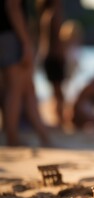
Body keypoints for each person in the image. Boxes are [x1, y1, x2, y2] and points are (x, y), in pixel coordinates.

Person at [0, 0, 51, 146]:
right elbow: (12, 6)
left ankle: (43, 136)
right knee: (14, 88)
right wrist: (25, 41)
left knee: (27, 87)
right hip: (11, 35)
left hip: (9, 34)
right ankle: (12, 138)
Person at [36, 0, 66, 127]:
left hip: (48, 57)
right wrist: (62, 56)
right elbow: (56, 40)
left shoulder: (45, 15)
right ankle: (60, 119)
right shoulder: (54, 15)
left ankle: (59, 118)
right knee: (58, 92)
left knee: (56, 91)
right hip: (55, 57)